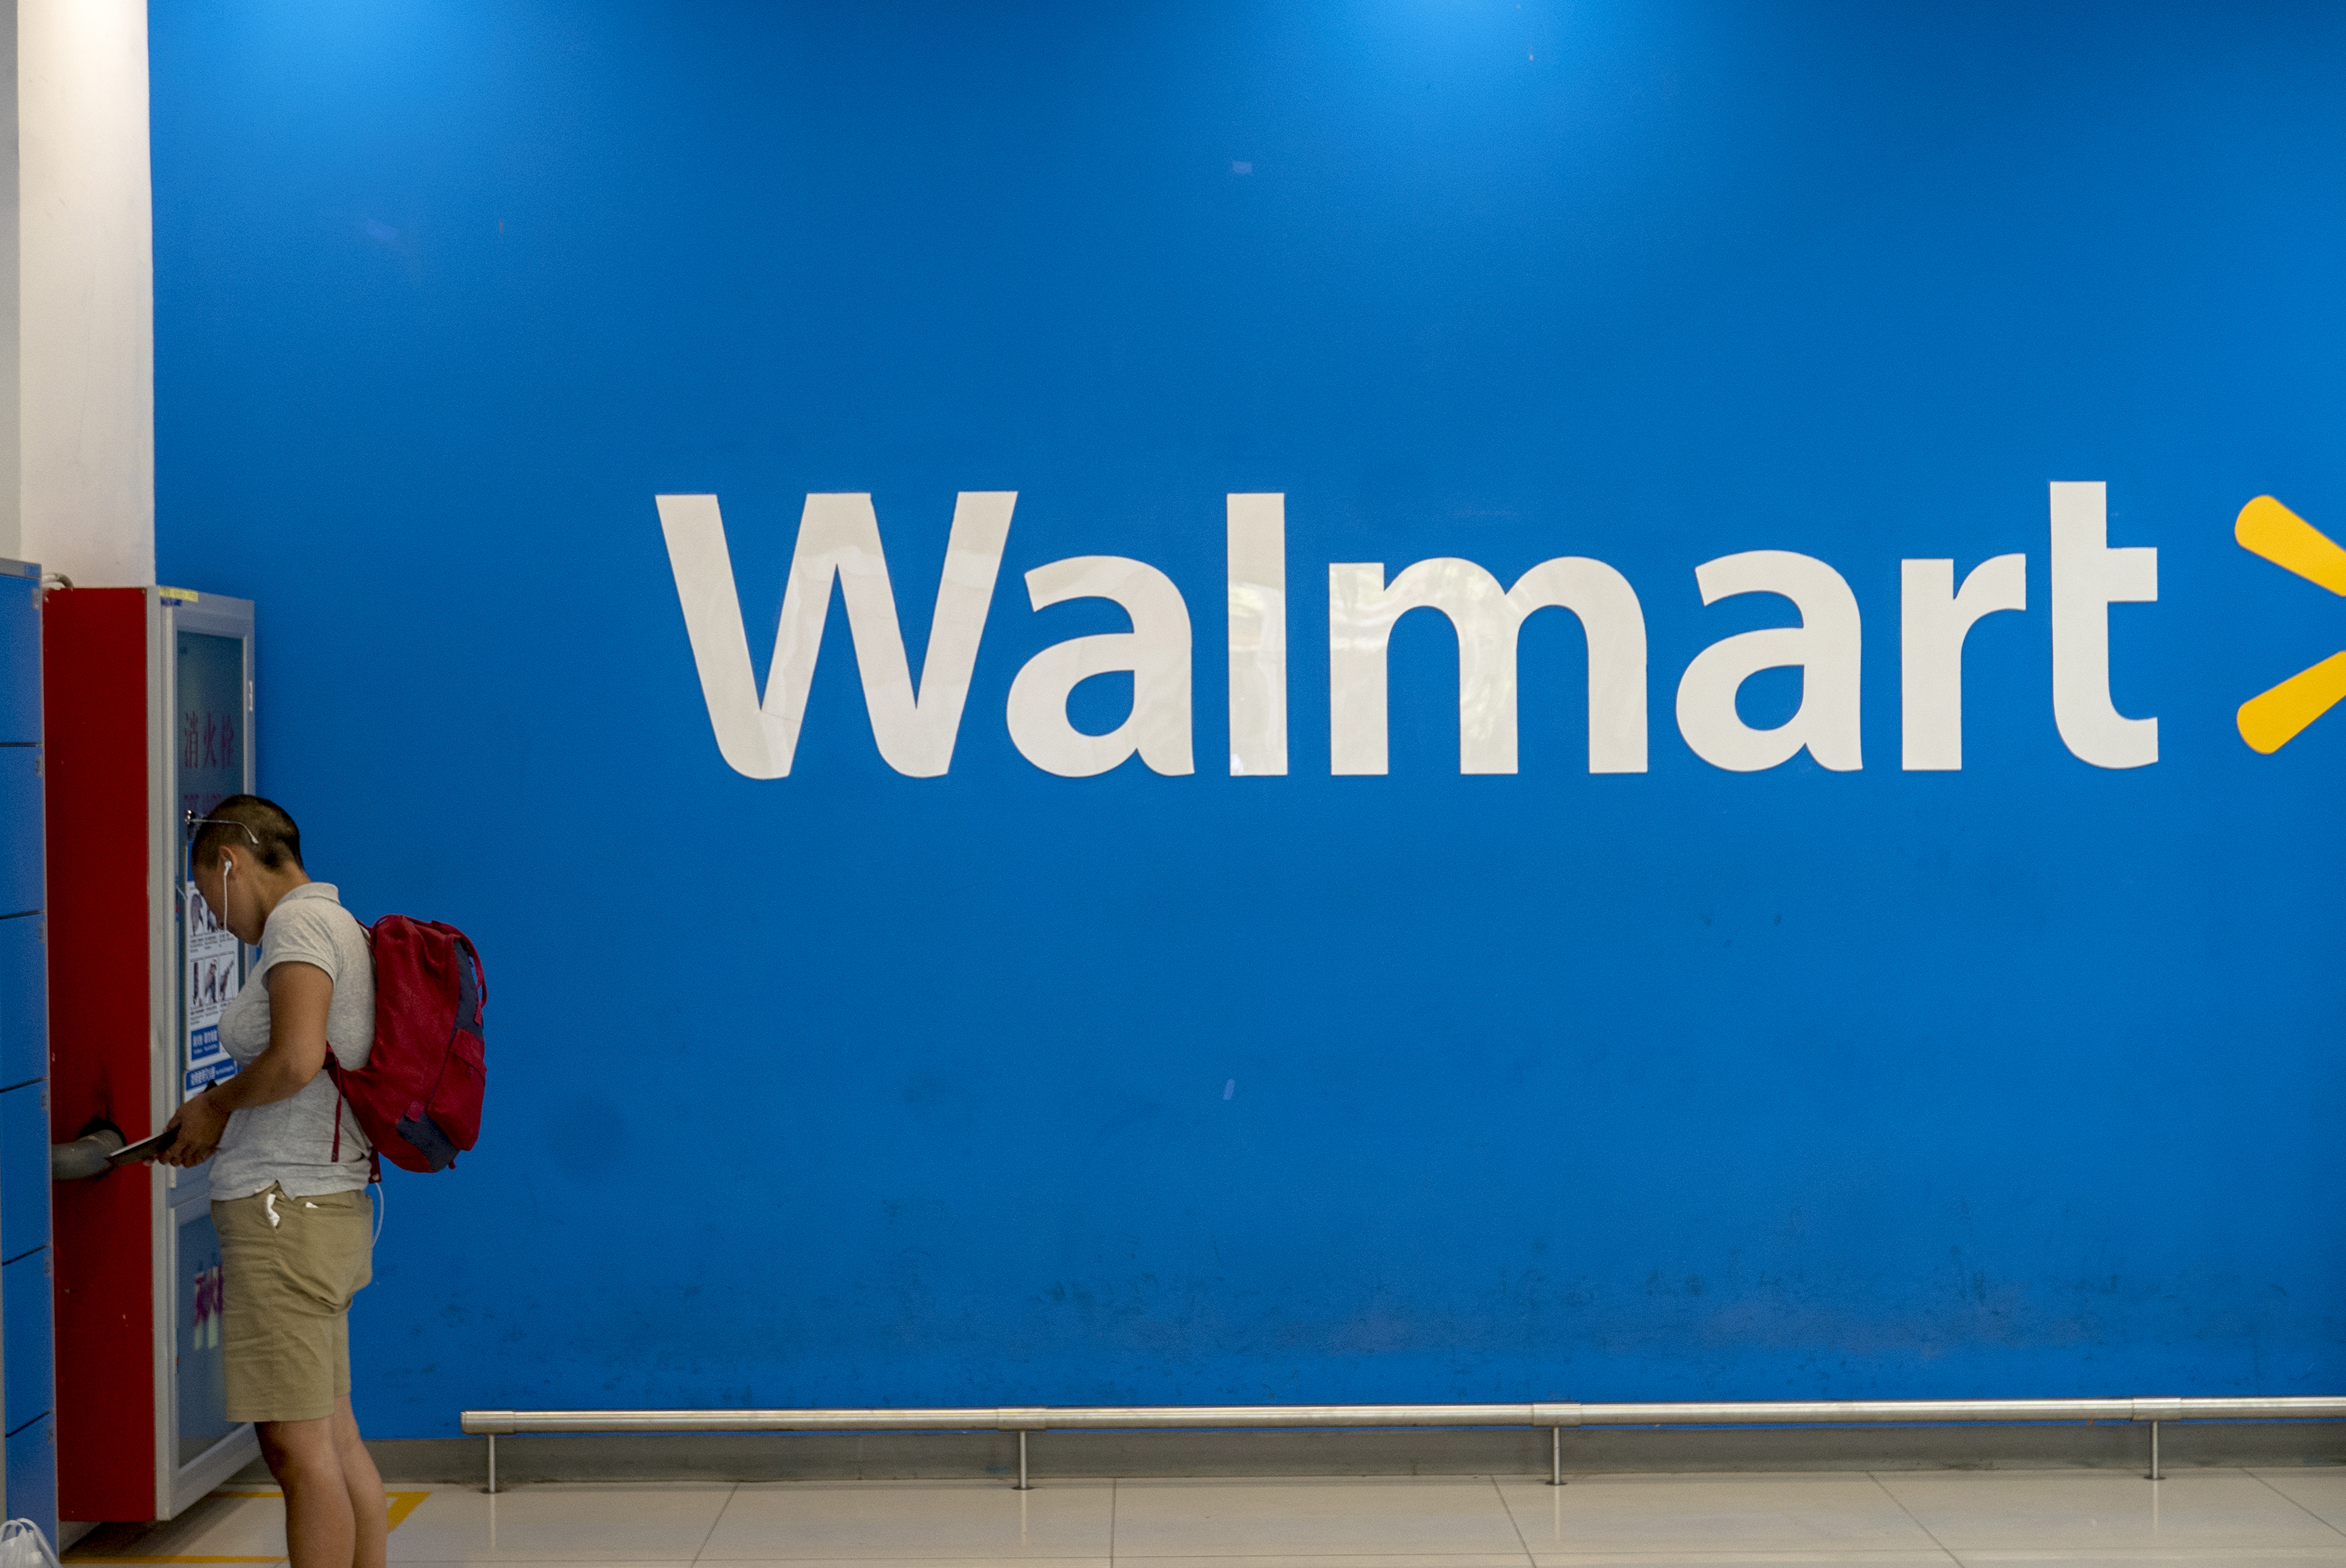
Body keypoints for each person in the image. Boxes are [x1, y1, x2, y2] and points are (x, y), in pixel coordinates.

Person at [161, 795, 386, 1568]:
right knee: (331, 1433)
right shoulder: (337, 924)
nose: (215, 918)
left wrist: (216, 1106)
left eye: (206, 896)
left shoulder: (298, 926)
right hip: (316, 1206)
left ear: (230, 863)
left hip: (283, 1212)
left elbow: (295, 1057)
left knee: (296, 1449)